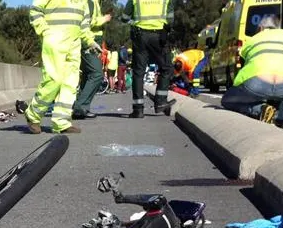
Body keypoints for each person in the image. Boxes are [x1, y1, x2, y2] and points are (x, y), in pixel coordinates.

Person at [24, 0, 102, 134]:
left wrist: (90, 41)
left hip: (74, 44)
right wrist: (44, 30)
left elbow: (84, 24)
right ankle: (33, 114)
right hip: (54, 40)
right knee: (54, 80)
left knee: (70, 84)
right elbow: (35, 10)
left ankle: (62, 122)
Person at [220, 15, 283, 127]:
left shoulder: (252, 40)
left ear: (262, 28)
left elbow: (244, 67)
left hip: (257, 84)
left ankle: (260, 109)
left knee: (227, 100)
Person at [121, 0, 176, 118]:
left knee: (138, 72)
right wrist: (166, 29)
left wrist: (134, 22)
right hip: (159, 36)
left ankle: (138, 109)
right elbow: (170, 20)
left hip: (140, 36)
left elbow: (124, 17)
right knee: (166, 68)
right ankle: (161, 102)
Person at [72, 0, 111, 120]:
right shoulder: (89, 2)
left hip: (90, 41)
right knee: (97, 74)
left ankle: (82, 107)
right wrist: (105, 19)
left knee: (87, 75)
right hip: (89, 41)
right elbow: (87, 22)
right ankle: (80, 107)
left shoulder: (94, 2)